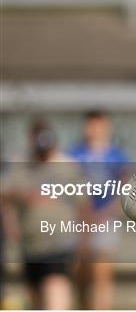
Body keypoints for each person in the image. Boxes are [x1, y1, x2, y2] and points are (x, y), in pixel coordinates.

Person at [2, 120, 80, 309]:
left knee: (55, 295)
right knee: (36, 300)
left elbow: (82, 204)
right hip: (30, 246)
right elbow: (6, 196)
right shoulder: (21, 165)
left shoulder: (67, 166)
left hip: (58, 245)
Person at [67, 110, 129, 310]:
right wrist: (82, 215)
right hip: (78, 220)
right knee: (79, 271)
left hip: (105, 218)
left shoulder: (116, 156)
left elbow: (124, 188)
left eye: (98, 124)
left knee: (102, 269)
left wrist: (104, 214)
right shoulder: (74, 154)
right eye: (90, 124)